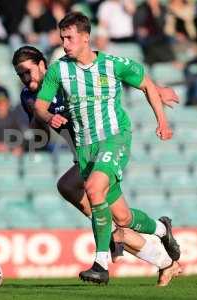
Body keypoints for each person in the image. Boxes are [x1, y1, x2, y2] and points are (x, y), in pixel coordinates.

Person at [13, 45, 181, 286]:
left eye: (29, 72)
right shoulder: (29, 97)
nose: (26, 79)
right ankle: (159, 231)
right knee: (119, 216)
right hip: (83, 155)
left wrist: (154, 89)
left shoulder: (65, 76)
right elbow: (37, 129)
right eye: (21, 75)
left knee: (84, 191)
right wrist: (40, 118)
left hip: (106, 145)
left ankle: (105, 248)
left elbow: (107, 71)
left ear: (42, 64)